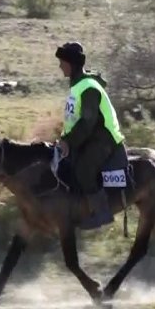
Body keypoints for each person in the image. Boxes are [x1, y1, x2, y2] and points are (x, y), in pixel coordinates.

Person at [54, 41, 126, 223]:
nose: (60, 66)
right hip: (89, 137)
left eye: (62, 62)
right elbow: (74, 120)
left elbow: (87, 122)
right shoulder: (78, 85)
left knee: (83, 170)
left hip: (103, 139)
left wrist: (68, 142)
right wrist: (64, 139)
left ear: (71, 64)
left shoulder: (89, 88)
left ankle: (101, 213)